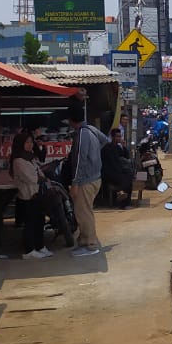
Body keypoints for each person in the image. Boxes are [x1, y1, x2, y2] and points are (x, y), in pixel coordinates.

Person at [63, 102, 105, 256]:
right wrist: (95, 156)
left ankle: (90, 245)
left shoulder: (82, 134)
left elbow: (80, 161)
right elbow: (105, 140)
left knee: (84, 213)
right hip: (95, 177)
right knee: (84, 211)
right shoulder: (92, 130)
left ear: (71, 120)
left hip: (85, 181)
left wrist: (75, 183)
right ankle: (83, 241)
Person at [11, 132, 51, 258]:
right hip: (27, 196)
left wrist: (42, 177)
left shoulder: (31, 158)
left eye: (31, 142)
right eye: (27, 142)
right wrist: (41, 177)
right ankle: (29, 250)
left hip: (37, 195)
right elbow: (32, 178)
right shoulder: (18, 160)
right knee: (30, 224)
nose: (30, 145)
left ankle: (40, 246)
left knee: (39, 221)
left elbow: (40, 174)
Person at [100, 127, 135, 208]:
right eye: (117, 136)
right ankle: (122, 201)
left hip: (117, 171)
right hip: (109, 173)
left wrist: (124, 146)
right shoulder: (107, 148)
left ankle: (125, 201)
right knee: (125, 179)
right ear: (113, 137)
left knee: (129, 177)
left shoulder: (118, 147)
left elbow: (125, 156)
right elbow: (111, 164)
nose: (119, 138)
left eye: (120, 136)